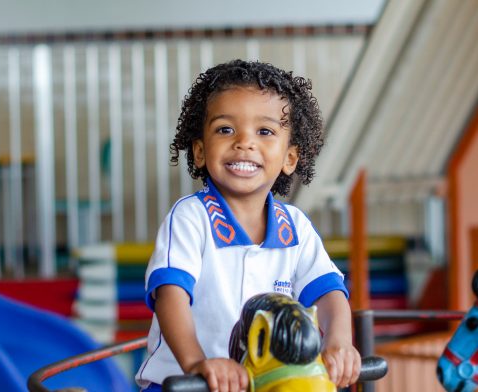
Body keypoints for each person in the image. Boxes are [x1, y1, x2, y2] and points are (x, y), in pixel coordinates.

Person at [136, 59, 361, 392]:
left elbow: (328, 292)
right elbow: (171, 294)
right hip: (185, 385)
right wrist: (198, 363)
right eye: (225, 129)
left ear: (289, 159)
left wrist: (339, 342)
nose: (245, 142)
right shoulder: (189, 218)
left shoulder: (295, 226)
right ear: (200, 152)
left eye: (265, 131)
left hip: (265, 383)